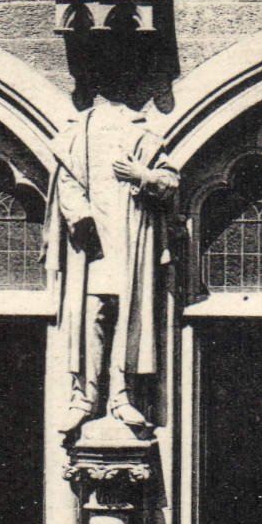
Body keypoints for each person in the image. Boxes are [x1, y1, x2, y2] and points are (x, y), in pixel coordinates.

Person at [45, 92, 179, 435]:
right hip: (90, 247)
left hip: (131, 242)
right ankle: (84, 397)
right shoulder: (78, 132)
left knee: (127, 315)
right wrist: (81, 216)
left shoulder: (144, 134)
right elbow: (67, 182)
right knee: (91, 315)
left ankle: (121, 396)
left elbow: (169, 182)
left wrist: (142, 175)